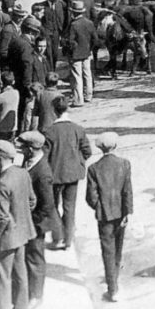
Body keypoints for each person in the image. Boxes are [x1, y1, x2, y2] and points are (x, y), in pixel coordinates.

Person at [0, 139, 36, 309]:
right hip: (22, 233)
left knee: (1, 280)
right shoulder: (22, 173)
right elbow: (32, 201)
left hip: (7, 238)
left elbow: (2, 218)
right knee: (20, 276)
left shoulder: (2, 184)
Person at [86, 132, 134, 304]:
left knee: (107, 250)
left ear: (100, 148)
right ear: (115, 146)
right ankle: (114, 280)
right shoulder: (124, 164)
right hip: (121, 214)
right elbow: (127, 191)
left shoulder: (93, 168)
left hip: (104, 216)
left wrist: (100, 207)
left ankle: (112, 288)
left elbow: (91, 197)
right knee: (118, 249)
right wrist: (127, 212)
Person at [17, 131, 59, 309]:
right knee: (29, 256)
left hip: (36, 223)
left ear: (32, 149)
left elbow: (48, 205)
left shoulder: (42, 173)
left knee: (35, 258)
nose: (21, 150)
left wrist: (34, 223)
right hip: (28, 220)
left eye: (24, 147)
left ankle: (36, 295)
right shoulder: (29, 161)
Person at [44, 96, 92, 251]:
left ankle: (57, 238)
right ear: (67, 109)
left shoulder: (49, 132)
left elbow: (44, 156)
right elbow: (87, 151)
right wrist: (77, 162)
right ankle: (68, 239)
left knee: (53, 206)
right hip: (73, 175)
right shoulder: (78, 129)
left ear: (54, 111)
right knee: (69, 207)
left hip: (54, 174)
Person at [63, 0, 98, 107]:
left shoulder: (73, 25)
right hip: (87, 52)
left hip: (75, 55)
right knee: (87, 74)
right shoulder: (89, 23)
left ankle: (78, 100)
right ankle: (89, 95)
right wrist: (89, 48)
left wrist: (67, 48)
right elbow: (95, 39)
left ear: (73, 12)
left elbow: (70, 41)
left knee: (77, 77)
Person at [0, 71, 20, 142]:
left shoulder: (1, 96)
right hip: (13, 126)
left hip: (3, 126)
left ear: (1, 83)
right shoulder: (16, 93)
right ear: (13, 82)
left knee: (1, 144)